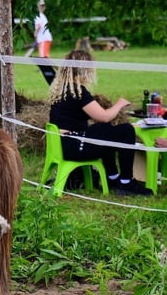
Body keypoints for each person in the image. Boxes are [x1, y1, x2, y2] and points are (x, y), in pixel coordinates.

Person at [47, 49, 152, 195]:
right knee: (126, 130)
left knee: (104, 130)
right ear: (85, 70)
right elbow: (104, 116)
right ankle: (126, 182)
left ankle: (113, 177)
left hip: (64, 144)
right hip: (75, 146)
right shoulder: (78, 92)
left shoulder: (61, 90)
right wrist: (119, 104)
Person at [34, 0, 56, 84]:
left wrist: (35, 33)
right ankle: (48, 68)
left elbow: (39, 26)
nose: (42, 7)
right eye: (40, 6)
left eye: (43, 6)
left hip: (43, 39)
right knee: (44, 55)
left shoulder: (39, 15)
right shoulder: (42, 16)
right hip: (44, 38)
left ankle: (46, 69)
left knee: (43, 56)